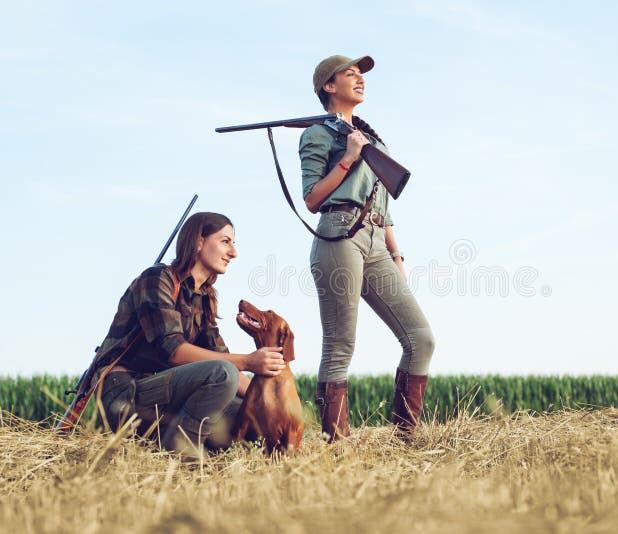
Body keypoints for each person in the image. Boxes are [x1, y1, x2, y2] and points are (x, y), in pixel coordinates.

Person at [299, 54, 435, 441]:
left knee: (420, 339)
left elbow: (383, 206)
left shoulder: (372, 138)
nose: (360, 80)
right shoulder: (317, 135)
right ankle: (336, 446)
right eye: (350, 74)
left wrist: (396, 255)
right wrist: (347, 158)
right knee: (340, 345)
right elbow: (311, 198)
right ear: (329, 86)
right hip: (339, 234)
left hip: (376, 240)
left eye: (361, 75)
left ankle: (404, 439)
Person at [94, 212, 286, 458]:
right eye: (225, 241)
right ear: (198, 241)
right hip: (127, 394)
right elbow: (174, 351)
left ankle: (170, 441)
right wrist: (250, 361)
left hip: (166, 395)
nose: (233, 253)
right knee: (221, 373)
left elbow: (224, 361)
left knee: (250, 412)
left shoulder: (205, 297)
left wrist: (268, 403)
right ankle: (181, 451)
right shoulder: (156, 279)